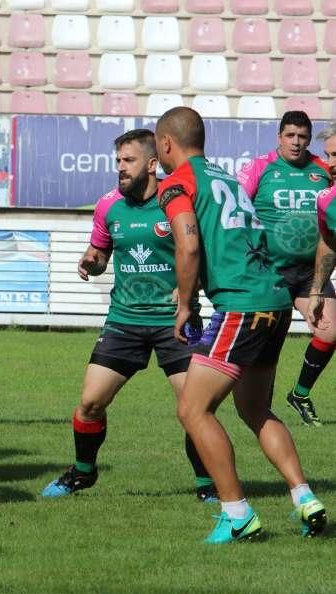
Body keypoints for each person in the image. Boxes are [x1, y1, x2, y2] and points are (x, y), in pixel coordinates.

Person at [155, 106, 326, 543]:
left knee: (193, 409)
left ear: (166, 144)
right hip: (276, 300)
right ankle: (304, 497)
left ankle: (237, 514)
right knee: (254, 409)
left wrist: (185, 304)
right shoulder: (228, 177)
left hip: (242, 307)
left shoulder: (178, 183)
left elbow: (188, 246)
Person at [39, 129, 214, 502]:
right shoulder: (108, 205)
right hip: (124, 320)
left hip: (178, 322)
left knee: (194, 409)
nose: (120, 168)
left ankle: (207, 485)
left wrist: (189, 289)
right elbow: (99, 254)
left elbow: (201, 251)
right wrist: (92, 262)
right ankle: (83, 473)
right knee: (89, 404)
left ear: (152, 164)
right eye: (118, 161)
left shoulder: (178, 199)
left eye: (128, 161)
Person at [237, 111, 334, 427]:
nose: (296, 142)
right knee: (267, 341)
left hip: (310, 272)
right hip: (270, 272)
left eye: (302, 136)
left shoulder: (322, 170)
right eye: (290, 135)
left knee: (330, 331)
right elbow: (236, 211)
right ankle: (260, 408)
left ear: (309, 139)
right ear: (279, 136)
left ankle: (300, 393)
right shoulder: (259, 168)